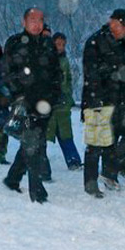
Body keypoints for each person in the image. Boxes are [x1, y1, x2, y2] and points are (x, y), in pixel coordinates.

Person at [81, 9, 125, 197]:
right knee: (95, 141)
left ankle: (110, 175)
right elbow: (91, 72)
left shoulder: (124, 44)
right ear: (114, 23)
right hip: (98, 98)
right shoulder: (95, 41)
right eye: (124, 28)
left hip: (119, 99)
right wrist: (115, 74)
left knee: (112, 140)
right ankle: (90, 182)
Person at [1, 8, 61, 203]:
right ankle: (37, 191)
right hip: (24, 102)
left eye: (40, 20)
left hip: (45, 103)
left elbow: (56, 73)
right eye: (32, 19)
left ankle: (12, 178)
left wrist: (55, 95)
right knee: (33, 144)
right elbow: (7, 73)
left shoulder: (48, 43)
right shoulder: (15, 43)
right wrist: (18, 95)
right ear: (24, 21)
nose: (37, 23)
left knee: (34, 141)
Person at [46, 32, 82, 170]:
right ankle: (32, 163)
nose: (60, 47)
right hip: (49, 103)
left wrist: (67, 94)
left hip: (62, 103)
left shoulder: (64, 60)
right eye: (58, 44)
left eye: (63, 44)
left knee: (65, 134)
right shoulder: (48, 59)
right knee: (41, 135)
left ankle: (73, 161)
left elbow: (68, 80)